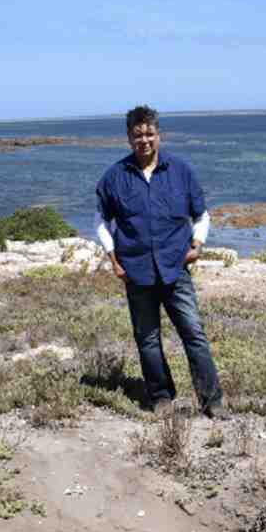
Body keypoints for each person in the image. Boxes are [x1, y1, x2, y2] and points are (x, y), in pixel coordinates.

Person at [94, 105, 226, 418]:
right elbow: (101, 221)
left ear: (158, 135)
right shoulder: (114, 177)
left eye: (149, 134)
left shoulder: (181, 171)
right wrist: (113, 259)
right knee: (148, 339)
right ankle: (161, 397)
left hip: (174, 268)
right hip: (136, 271)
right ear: (129, 138)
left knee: (193, 333)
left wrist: (198, 244)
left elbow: (201, 214)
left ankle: (213, 401)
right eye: (137, 135)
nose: (144, 140)